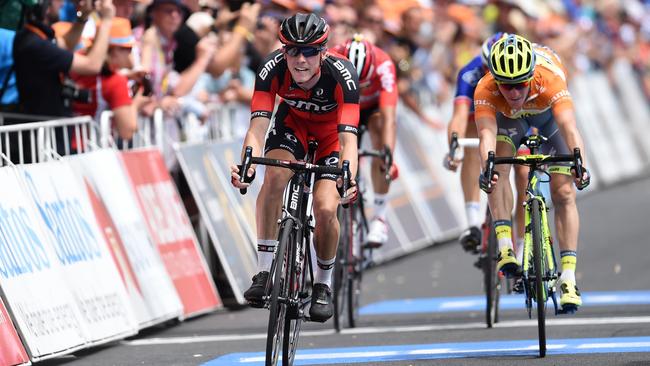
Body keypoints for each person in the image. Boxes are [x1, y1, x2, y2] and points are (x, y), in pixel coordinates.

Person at [229, 13, 359, 322]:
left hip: (331, 137)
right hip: (292, 127)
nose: (300, 59)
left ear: (323, 52)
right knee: (273, 177)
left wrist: (347, 176)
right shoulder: (271, 68)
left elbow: (349, 139)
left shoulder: (343, 75)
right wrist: (247, 162)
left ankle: (323, 286)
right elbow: (258, 128)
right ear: (283, 50)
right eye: (292, 51)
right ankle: (263, 271)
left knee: (327, 207)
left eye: (310, 51)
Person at [474, 34, 590, 312]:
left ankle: (568, 278)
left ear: (531, 75)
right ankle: (505, 247)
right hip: (509, 122)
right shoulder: (485, 88)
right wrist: (487, 166)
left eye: (520, 85)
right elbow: (486, 135)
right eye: (506, 86)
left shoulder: (549, 78)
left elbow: (569, 127)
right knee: (497, 167)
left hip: (547, 118)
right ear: (495, 79)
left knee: (563, 192)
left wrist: (579, 164)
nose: (513, 93)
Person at [11, 0, 115, 162]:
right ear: (43, 6)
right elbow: (92, 65)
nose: (62, 3)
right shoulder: (32, 43)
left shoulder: (37, 37)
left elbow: (66, 44)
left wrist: (83, 17)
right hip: (42, 144)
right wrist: (107, 21)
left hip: (50, 136)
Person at [331, 34, 398, 247]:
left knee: (379, 128)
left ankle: (379, 216)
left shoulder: (384, 64)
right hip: (341, 106)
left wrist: (388, 155)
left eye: (363, 84)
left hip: (373, 110)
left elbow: (389, 119)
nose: (357, 89)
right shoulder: (332, 56)